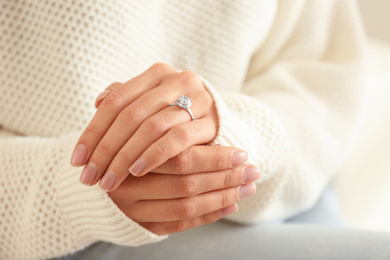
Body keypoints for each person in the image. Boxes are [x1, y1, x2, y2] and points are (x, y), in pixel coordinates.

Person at [0, 0, 367, 259]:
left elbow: (322, 82)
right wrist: (69, 190)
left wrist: (234, 135)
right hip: (58, 232)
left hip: (282, 184)